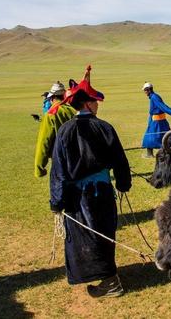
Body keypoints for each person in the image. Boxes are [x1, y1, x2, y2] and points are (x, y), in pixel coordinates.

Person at [49, 70, 131, 298]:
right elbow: (120, 161)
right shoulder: (105, 128)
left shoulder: (64, 132)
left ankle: (111, 281)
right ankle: (108, 278)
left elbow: (58, 171)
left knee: (89, 235)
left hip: (78, 197)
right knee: (102, 232)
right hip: (102, 192)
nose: (98, 105)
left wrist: (57, 202)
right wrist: (123, 184)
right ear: (87, 103)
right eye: (95, 101)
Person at [33, 80, 76, 178]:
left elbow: (44, 142)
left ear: (52, 98)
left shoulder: (51, 114)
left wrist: (39, 168)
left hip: (60, 162)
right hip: (77, 161)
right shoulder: (74, 111)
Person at [141, 82, 171, 158]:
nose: (144, 92)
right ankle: (151, 153)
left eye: (145, 90)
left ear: (149, 90)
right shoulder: (153, 97)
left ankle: (150, 154)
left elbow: (163, 107)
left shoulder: (154, 97)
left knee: (151, 136)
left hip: (157, 122)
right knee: (161, 135)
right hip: (157, 120)